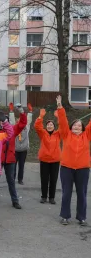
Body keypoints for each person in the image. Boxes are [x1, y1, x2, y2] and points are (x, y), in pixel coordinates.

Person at [0, 101, 27, 209]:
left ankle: (15, 201)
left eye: (5, 120)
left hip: (10, 160)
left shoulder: (13, 130)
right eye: (1, 120)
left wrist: (21, 111)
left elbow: (23, 123)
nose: (3, 122)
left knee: (11, 181)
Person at [56, 95, 90, 226]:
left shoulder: (87, 135)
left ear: (83, 128)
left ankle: (81, 217)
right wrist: (60, 106)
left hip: (83, 169)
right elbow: (63, 121)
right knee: (66, 193)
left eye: (79, 125)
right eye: (75, 125)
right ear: (71, 127)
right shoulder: (66, 134)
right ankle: (65, 216)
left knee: (82, 194)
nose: (77, 127)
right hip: (67, 168)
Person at [34, 108, 61, 204]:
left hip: (55, 160)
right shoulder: (43, 133)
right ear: (46, 127)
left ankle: (52, 197)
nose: (50, 126)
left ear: (54, 127)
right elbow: (37, 126)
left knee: (53, 180)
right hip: (44, 160)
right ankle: (44, 196)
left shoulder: (58, 134)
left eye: (51, 125)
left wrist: (59, 117)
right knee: (44, 179)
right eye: (48, 125)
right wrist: (41, 116)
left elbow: (63, 126)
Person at [13, 103, 33, 185]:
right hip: (15, 149)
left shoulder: (26, 128)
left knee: (21, 166)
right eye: (18, 122)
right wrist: (11, 111)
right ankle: (12, 179)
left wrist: (30, 112)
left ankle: (20, 179)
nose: (19, 123)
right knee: (13, 166)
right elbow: (11, 120)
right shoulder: (14, 129)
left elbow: (28, 120)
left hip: (23, 150)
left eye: (20, 121)